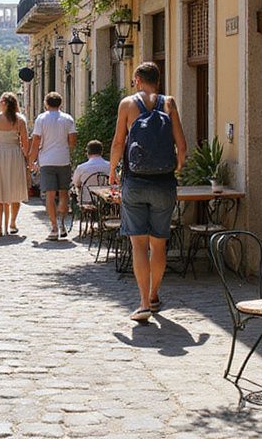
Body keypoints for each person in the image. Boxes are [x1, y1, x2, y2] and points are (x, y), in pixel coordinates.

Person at [110, 62, 187, 324]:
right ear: (158, 80)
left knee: (138, 245)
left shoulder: (128, 105)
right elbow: (182, 147)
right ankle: (155, 296)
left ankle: (143, 303)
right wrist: (174, 169)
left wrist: (112, 170)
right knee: (159, 244)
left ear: (138, 80)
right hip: (164, 184)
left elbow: (119, 142)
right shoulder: (170, 103)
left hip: (135, 182)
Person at [28, 92, 77, 241]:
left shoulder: (41, 119)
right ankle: (62, 223)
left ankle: (54, 227)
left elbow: (36, 141)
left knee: (49, 195)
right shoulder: (68, 119)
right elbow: (73, 141)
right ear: (60, 104)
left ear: (45, 103)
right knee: (63, 193)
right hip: (63, 159)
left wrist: (31, 160)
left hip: (47, 161)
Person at [0, 92, 30, 237]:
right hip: (15, 154)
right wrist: (26, 158)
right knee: (15, 190)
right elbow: (25, 142)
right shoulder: (20, 120)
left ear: (4, 103)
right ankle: (12, 223)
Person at [71, 139, 112, 205]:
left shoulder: (81, 168)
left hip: (87, 200)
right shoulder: (110, 166)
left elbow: (76, 183)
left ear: (88, 152)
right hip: (106, 201)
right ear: (101, 152)